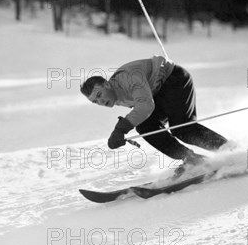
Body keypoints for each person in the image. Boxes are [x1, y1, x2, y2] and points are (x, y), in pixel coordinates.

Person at [80, 56, 227, 171]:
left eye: (99, 95)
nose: (100, 102)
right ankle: (191, 159)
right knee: (145, 127)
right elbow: (144, 110)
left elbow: (145, 105)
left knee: (182, 129)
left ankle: (229, 150)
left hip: (174, 80)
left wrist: (121, 129)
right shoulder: (116, 95)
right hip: (158, 93)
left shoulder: (129, 78)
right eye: (95, 102)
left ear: (107, 84)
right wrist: (123, 128)